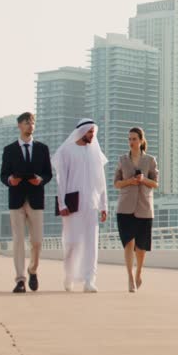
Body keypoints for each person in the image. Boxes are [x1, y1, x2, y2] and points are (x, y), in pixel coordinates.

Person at [52, 118, 108, 292]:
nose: (92, 135)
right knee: (72, 242)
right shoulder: (66, 151)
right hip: (72, 205)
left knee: (91, 243)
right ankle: (69, 276)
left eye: (93, 132)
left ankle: (89, 280)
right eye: (89, 132)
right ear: (81, 132)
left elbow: (101, 181)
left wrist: (103, 205)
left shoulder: (95, 153)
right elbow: (61, 180)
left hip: (91, 205)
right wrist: (61, 203)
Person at [0, 112, 53, 293]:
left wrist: (40, 179)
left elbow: (48, 174)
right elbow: (3, 175)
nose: (30, 125)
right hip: (16, 200)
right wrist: (9, 181)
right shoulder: (9, 150)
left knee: (37, 241)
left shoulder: (42, 149)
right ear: (19, 126)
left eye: (32, 122)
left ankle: (33, 270)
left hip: (36, 199)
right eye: (26, 122)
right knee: (18, 241)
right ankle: (20, 279)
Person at [113, 127, 158, 293]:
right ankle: (130, 277)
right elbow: (116, 183)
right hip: (125, 208)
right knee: (128, 243)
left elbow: (155, 183)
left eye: (134, 139)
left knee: (141, 247)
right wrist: (130, 181)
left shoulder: (150, 160)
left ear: (140, 140)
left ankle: (138, 272)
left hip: (144, 208)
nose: (131, 142)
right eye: (129, 139)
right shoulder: (122, 160)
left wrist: (143, 179)